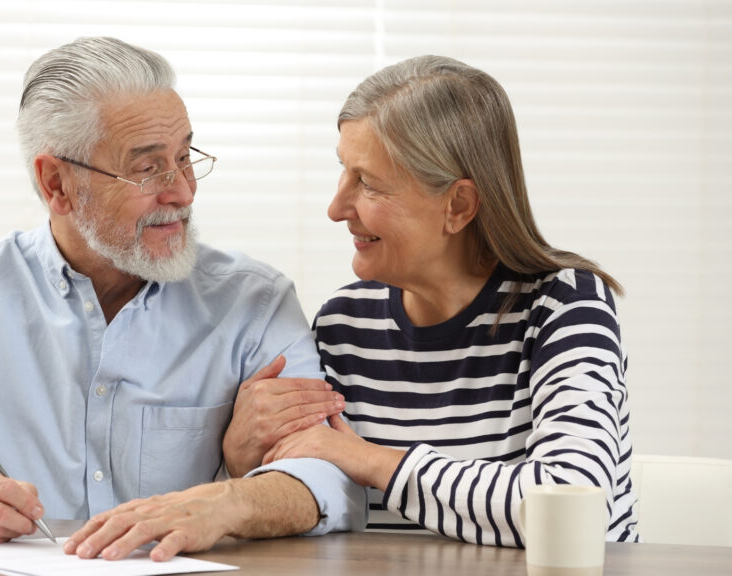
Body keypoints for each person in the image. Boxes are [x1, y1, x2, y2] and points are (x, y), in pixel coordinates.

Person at [0, 36, 366, 561]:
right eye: (148, 168)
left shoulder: (255, 302)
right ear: (57, 184)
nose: (182, 190)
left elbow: (329, 477)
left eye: (185, 156)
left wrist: (226, 503)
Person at [229, 54, 638, 547]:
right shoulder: (343, 324)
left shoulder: (564, 305)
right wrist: (240, 458)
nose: (336, 208)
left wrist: (370, 459)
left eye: (369, 183)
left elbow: (573, 501)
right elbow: (315, 494)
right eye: (343, 171)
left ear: (458, 206)